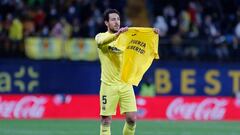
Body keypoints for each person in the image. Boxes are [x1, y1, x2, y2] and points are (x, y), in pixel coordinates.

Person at [95, 9, 159, 135]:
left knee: (132, 119)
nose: (116, 22)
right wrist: (117, 35)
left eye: (118, 19)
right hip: (108, 85)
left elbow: (140, 41)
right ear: (106, 23)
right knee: (106, 120)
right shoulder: (101, 36)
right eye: (113, 19)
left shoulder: (126, 38)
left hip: (125, 84)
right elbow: (100, 42)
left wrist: (152, 34)